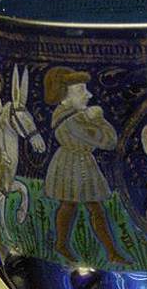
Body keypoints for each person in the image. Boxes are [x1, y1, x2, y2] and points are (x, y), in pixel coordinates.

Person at [43, 66, 127, 263]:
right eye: (81, 90)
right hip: (73, 165)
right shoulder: (73, 121)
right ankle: (69, 246)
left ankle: (108, 252)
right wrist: (99, 119)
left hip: (79, 162)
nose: (88, 94)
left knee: (80, 206)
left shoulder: (70, 116)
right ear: (65, 95)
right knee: (74, 205)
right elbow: (108, 142)